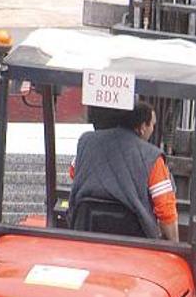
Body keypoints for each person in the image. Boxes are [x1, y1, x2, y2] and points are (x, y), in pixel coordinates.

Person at [68, 101, 178, 241]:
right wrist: (175, 246)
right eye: (153, 125)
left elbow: (73, 173)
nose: (153, 129)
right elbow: (166, 210)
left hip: (84, 230)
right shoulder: (152, 157)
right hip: (133, 243)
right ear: (143, 127)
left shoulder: (87, 141)